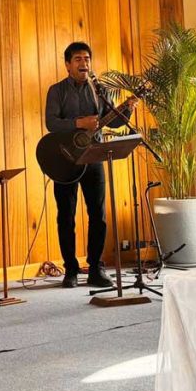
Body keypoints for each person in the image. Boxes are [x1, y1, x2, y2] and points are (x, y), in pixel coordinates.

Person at [44, 41, 135, 289]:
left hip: (94, 156)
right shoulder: (56, 91)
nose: (84, 63)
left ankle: (96, 268)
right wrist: (79, 123)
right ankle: (71, 269)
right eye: (78, 59)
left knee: (99, 215)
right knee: (66, 216)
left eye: (87, 58)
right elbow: (51, 123)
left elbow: (113, 123)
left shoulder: (99, 89)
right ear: (67, 65)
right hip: (66, 159)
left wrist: (127, 111)